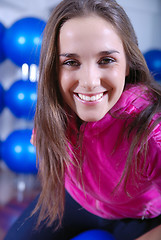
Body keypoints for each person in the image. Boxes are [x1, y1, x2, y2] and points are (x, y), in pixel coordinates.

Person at [4, 0, 161, 239]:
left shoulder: (153, 130)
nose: (89, 81)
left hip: (138, 217)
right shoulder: (54, 105)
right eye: (70, 62)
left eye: (106, 60)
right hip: (76, 199)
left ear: (128, 63)